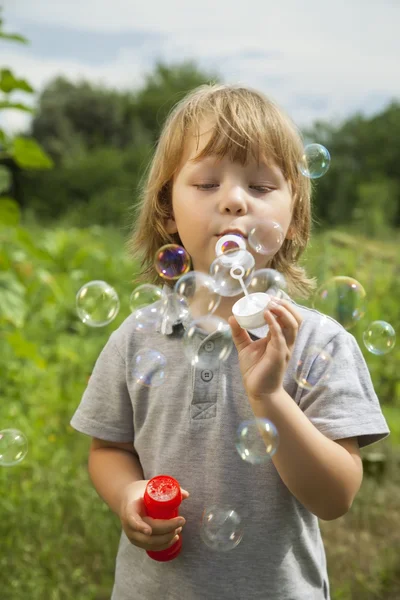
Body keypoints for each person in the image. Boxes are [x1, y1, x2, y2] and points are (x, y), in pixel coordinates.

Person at [70, 84, 390, 600]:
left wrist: (270, 397)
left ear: (291, 220)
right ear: (168, 211)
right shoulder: (138, 336)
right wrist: (128, 491)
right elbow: (108, 448)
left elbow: (335, 498)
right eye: (207, 182)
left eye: (261, 187)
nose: (235, 201)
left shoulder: (315, 342)